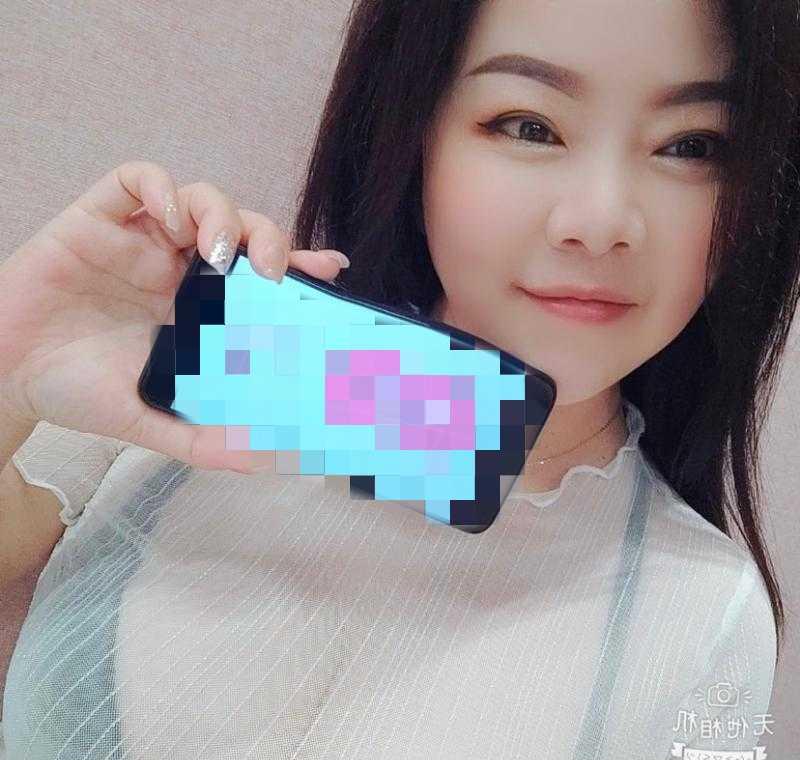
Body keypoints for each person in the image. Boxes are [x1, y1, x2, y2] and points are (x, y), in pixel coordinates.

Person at [0, 0, 797, 756]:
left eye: (693, 146)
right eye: (530, 126)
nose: (599, 223)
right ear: (416, 131)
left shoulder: (704, 616)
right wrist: (12, 369)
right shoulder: (186, 373)